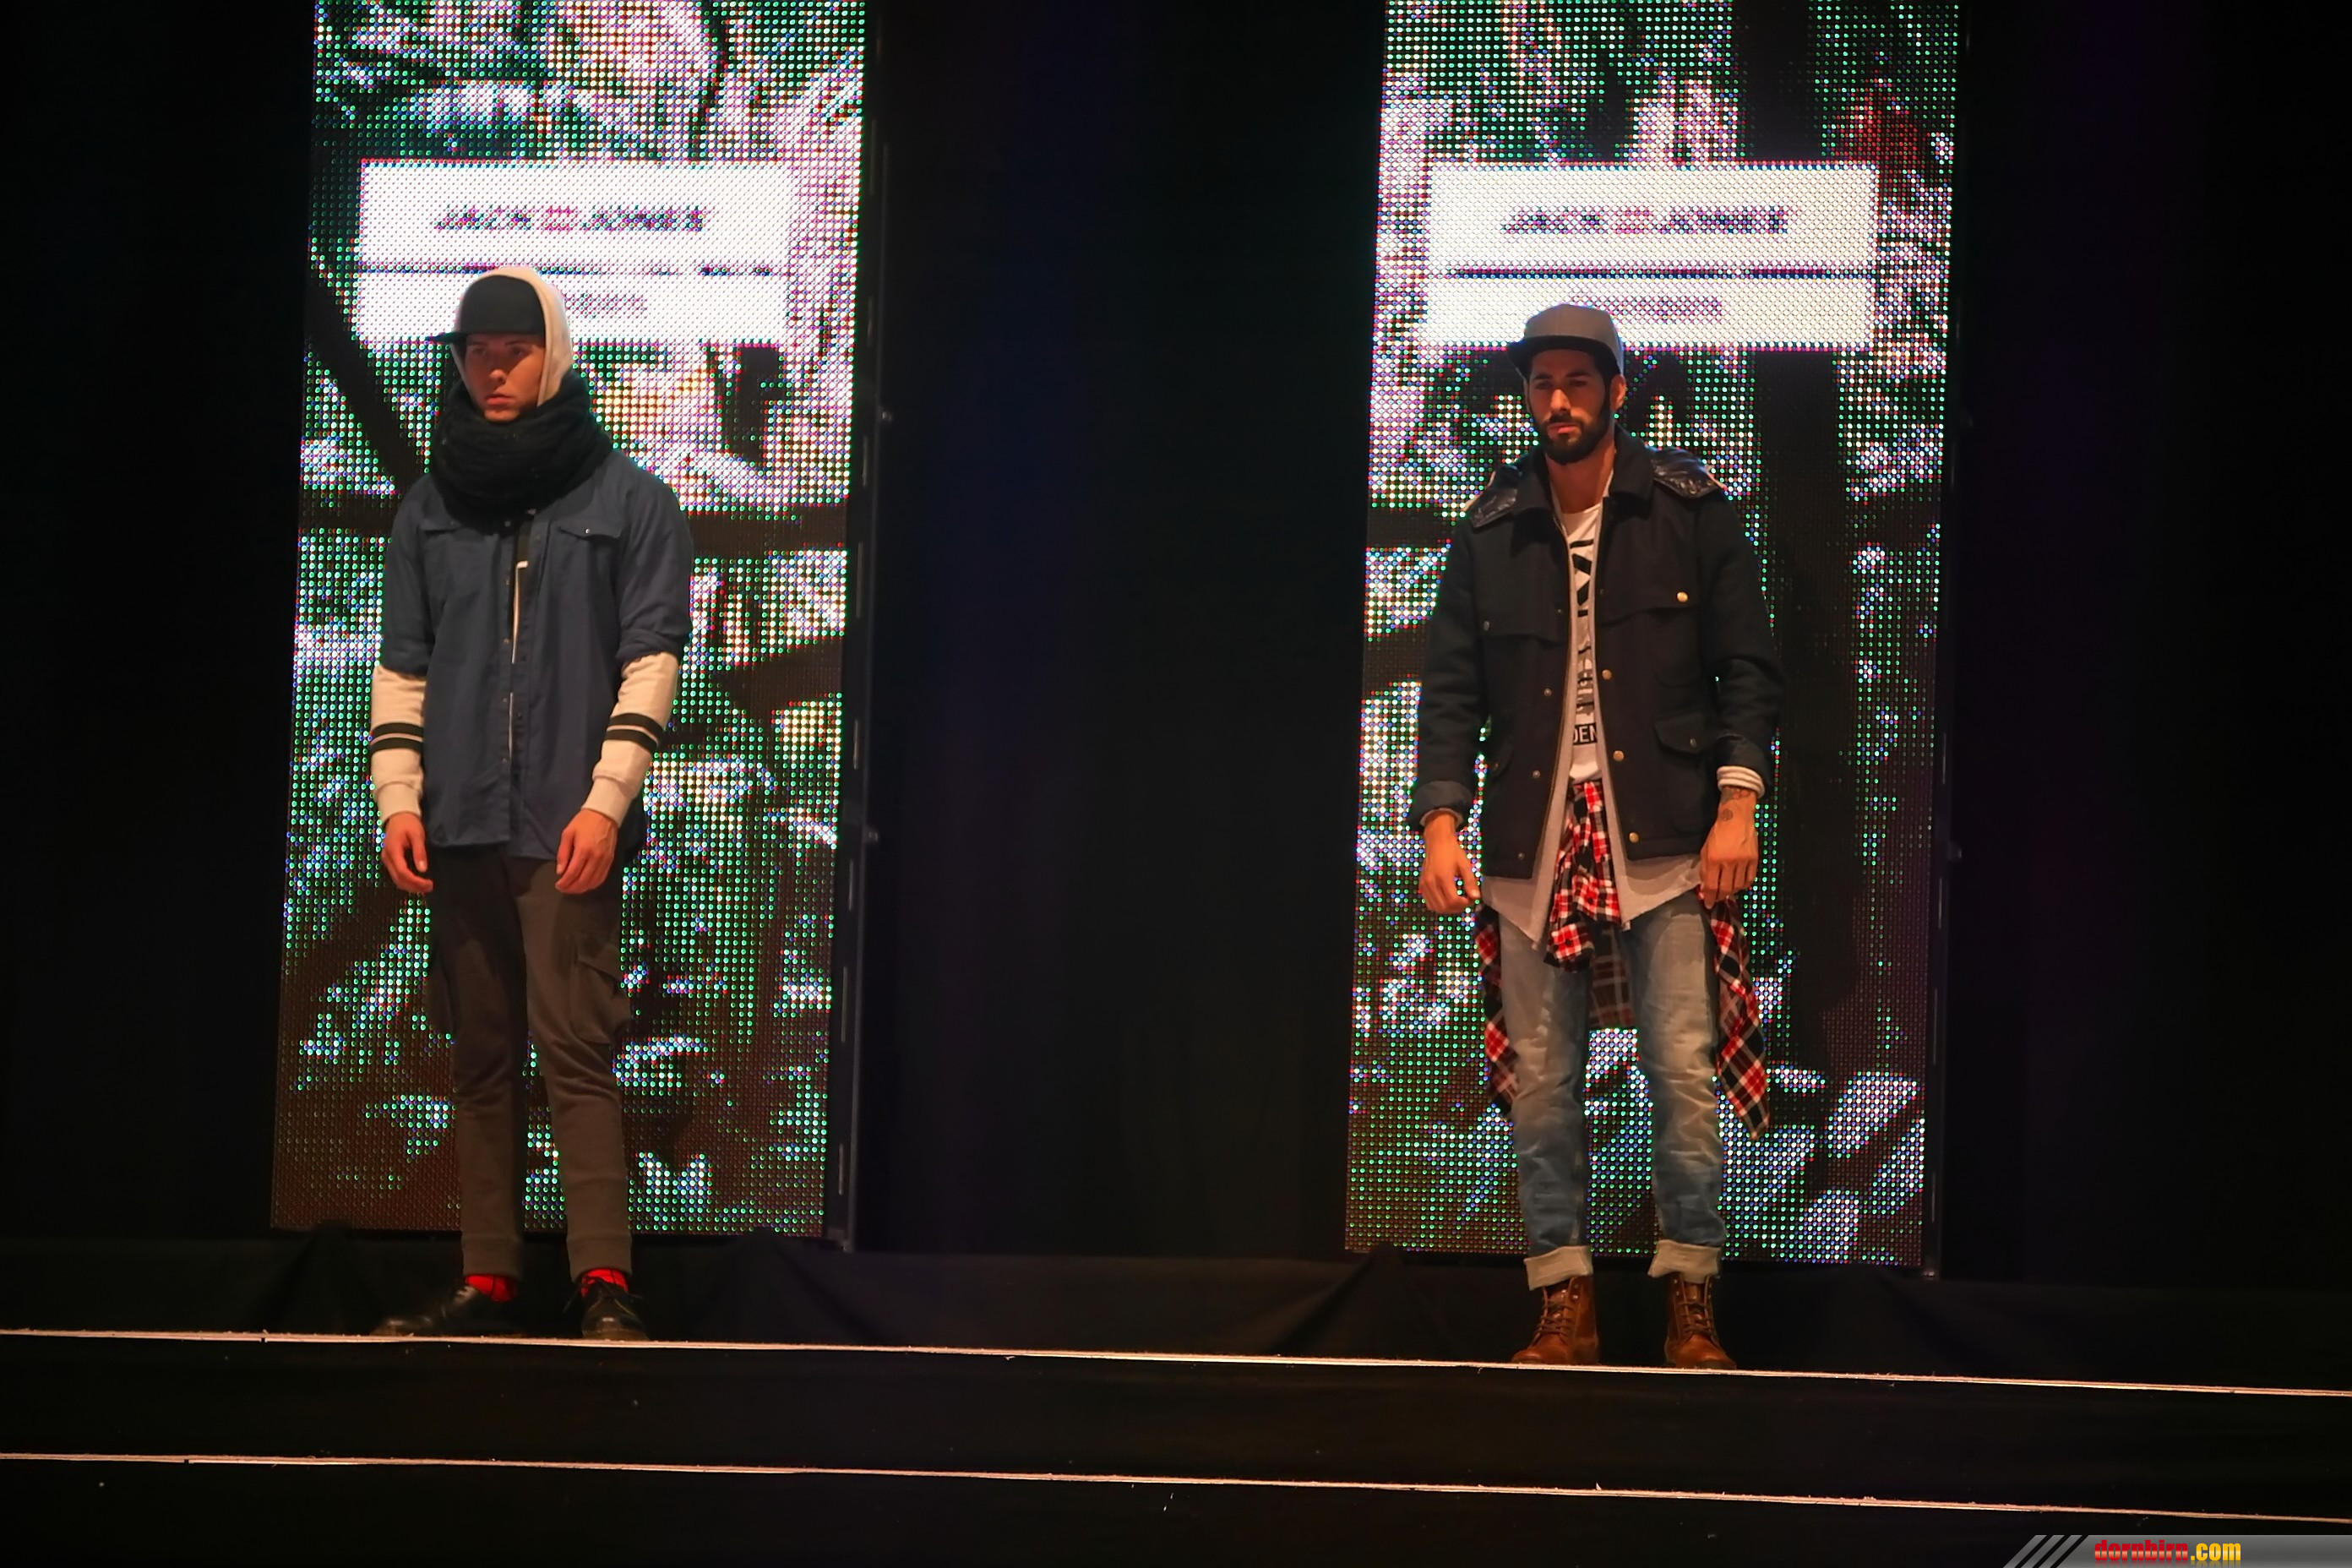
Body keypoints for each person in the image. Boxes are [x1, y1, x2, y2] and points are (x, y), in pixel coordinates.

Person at [1412, 303, 1783, 1369]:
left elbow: (1748, 669)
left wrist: (1738, 804)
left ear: (1617, 390)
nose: (1559, 400)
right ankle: (1563, 1303)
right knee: (1541, 1082)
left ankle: (1691, 1301)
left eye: (1579, 381)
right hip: (1532, 835)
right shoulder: (1491, 528)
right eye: (1543, 384)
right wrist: (1440, 821)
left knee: (1682, 1071)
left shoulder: (1688, 510)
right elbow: (1452, 691)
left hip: (1663, 831)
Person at [367, 267, 693, 1340]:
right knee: (481, 1055)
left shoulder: (628, 500)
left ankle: (603, 1281)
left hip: (566, 822)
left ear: (553, 354)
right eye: (477, 353)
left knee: (577, 1048)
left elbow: (651, 660)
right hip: (459, 819)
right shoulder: (431, 505)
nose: (494, 370)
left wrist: (606, 802)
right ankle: (491, 1278)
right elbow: (403, 666)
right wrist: (398, 798)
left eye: (513, 351)